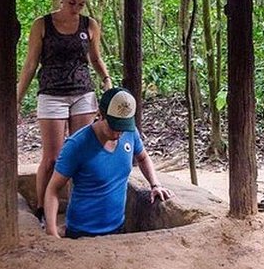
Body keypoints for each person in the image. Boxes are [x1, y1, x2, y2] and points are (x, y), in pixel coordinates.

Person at [17, 0, 112, 227]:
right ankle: (41, 208)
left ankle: (77, 209)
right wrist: (17, 98)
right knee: (52, 158)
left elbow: (95, 58)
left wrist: (106, 79)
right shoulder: (42, 25)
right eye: (72, 3)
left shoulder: (89, 25)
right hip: (51, 94)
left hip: (82, 93)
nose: (76, 9)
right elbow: (30, 64)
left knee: (80, 154)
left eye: (81, 4)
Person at [44, 87, 174, 238]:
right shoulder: (76, 145)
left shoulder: (130, 133)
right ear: (100, 114)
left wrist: (155, 184)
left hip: (117, 228)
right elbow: (53, 189)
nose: (119, 133)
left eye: (123, 127)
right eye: (114, 126)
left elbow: (143, 157)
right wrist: (51, 229)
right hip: (82, 232)